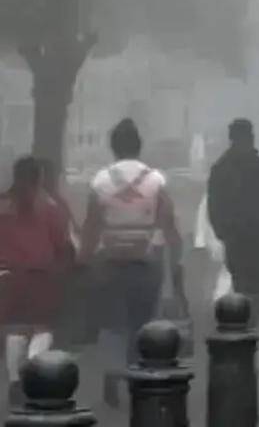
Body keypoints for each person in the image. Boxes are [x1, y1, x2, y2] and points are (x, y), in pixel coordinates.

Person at [79, 119, 184, 408]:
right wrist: (176, 263)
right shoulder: (155, 181)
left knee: (112, 322)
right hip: (147, 262)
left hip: (109, 263)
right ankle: (137, 374)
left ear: (113, 147)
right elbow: (169, 226)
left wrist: (83, 262)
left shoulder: (100, 181)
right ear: (139, 146)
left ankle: (112, 376)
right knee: (142, 321)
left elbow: (91, 226)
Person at [0, 156, 75, 406]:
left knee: (14, 330)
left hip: (8, 279)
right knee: (42, 328)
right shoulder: (50, 207)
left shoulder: (2, 204)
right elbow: (63, 244)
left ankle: (13, 379)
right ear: (40, 177)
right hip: (43, 279)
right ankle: (34, 371)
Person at [206, 119, 259, 303]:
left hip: (236, 240)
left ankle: (245, 325)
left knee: (241, 288)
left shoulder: (219, 169)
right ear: (251, 138)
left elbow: (214, 208)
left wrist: (224, 234)